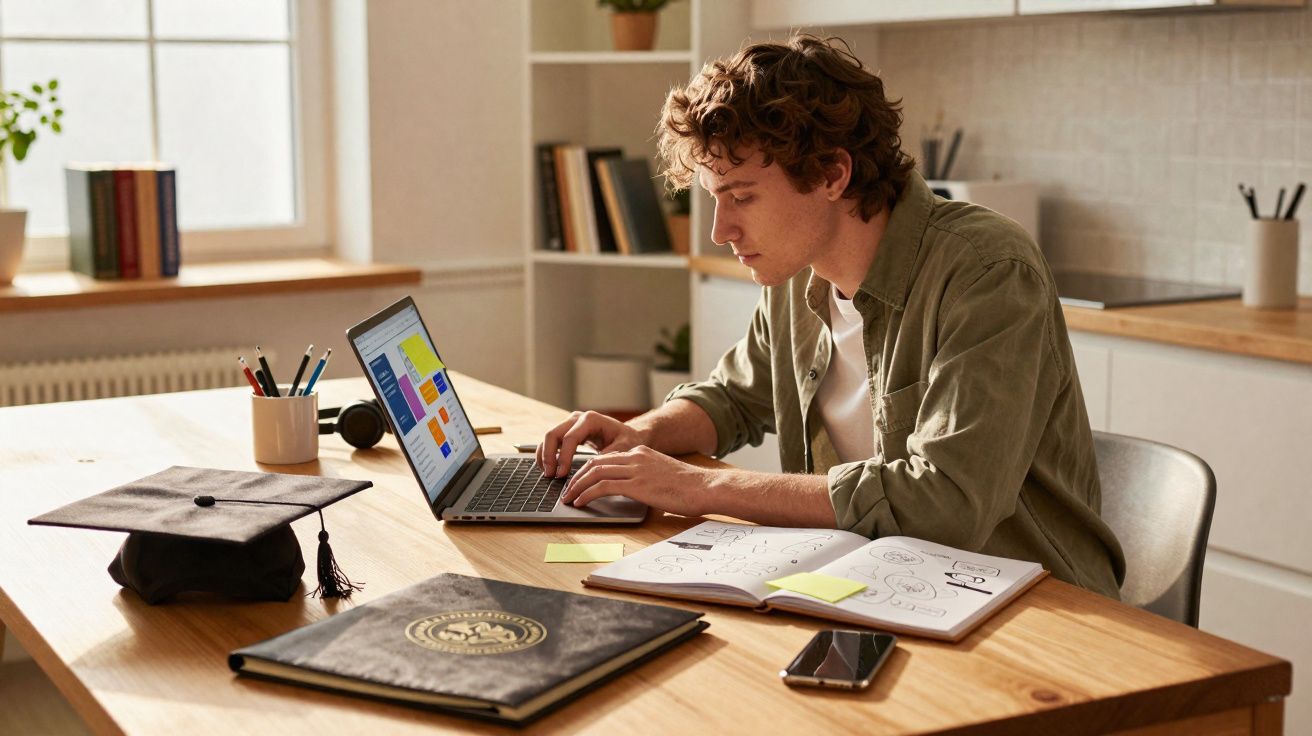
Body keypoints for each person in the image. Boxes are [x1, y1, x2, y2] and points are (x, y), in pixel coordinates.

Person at [537, 34, 1124, 598]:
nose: (721, 231)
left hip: (1032, 603)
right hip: (881, 580)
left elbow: (945, 502)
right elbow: (735, 398)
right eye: (715, 198)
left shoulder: (987, 271)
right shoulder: (796, 271)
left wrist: (703, 486)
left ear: (831, 175)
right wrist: (639, 437)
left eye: (742, 197)